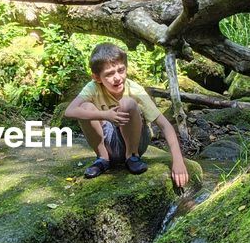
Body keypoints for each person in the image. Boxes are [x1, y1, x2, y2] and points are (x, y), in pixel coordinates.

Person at [63, 42, 190, 188]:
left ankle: (132, 157)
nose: (117, 77)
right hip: (108, 144)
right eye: (110, 74)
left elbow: (165, 126)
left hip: (135, 142)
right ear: (97, 78)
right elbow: (69, 111)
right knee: (85, 108)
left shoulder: (135, 89)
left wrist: (178, 161)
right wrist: (105, 115)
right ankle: (102, 159)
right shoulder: (92, 87)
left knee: (127, 103)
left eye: (121, 70)